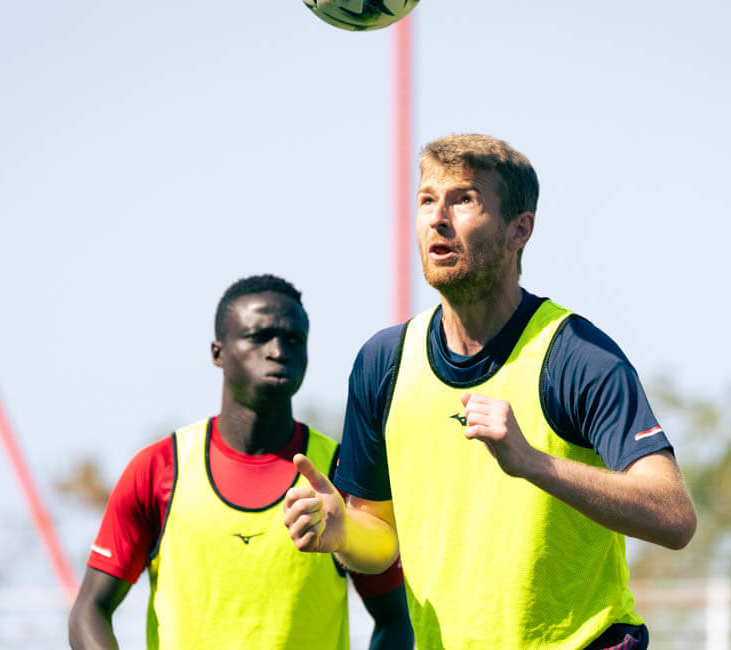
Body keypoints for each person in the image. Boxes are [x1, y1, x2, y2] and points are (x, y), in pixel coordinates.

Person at [283, 134, 697, 649]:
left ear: (518, 230)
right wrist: (343, 532)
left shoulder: (576, 354)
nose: (438, 218)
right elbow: (380, 535)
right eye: (427, 199)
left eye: (464, 199)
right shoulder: (383, 361)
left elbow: (674, 516)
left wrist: (533, 462)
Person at [68, 274, 412, 649]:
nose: (278, 350)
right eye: (258, 336)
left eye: (294, 339)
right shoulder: (159, 468)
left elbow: (396, 619)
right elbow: (90, 609)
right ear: (218, 353)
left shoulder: (340, 475)